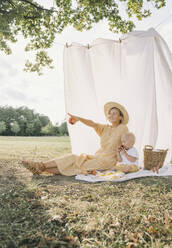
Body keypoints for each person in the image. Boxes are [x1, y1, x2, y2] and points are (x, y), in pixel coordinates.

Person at [23, 102, 129, 176]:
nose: (111, 115)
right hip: (97, 157)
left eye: (114, 113)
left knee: (76, 163)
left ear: (120, 117)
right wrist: (78, 119)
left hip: (107, 161)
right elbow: (92, 123)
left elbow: (127, 144)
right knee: (74, 161)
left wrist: (124, 160)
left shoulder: (123, 128)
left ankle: (40, 166)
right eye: (109, 113)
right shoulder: (105, 128)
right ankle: (40, 169)